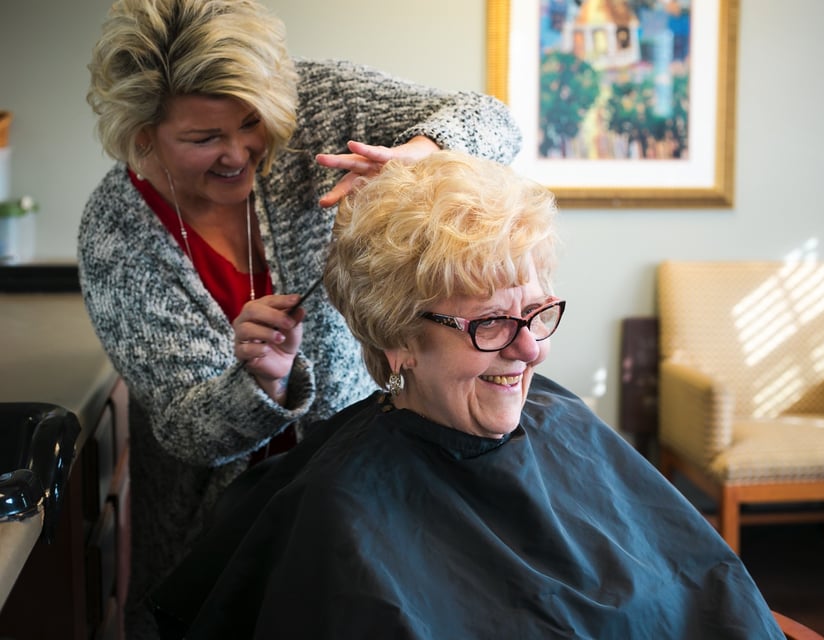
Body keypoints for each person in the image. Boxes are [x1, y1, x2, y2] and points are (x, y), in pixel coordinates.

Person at [149, 151, 784, 639]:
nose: (530, 350)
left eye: (537, 312)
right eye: (490, 324)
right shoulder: (340, 510)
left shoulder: (555, 413)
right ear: (396, 338)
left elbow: (701, 587)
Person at [78, 1, 521, 637]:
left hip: (360, 483)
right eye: (204, 139)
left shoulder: (313, 105)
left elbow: (493, 121)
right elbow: (185, 428)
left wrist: (422, 156)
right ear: (143, 134)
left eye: (251, 123)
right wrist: (263, 382)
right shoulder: (116, 234)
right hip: (218, 529)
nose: (239, 154)